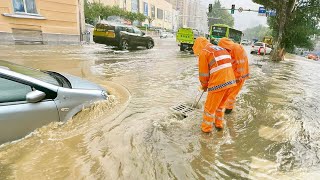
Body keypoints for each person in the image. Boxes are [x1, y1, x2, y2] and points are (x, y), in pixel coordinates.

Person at [193, 37, 236, 133]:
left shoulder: (204, 52)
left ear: (198, 46)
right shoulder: (220, 48)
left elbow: (203, 74)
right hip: (231, 82)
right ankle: (219, 125)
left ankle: (206, 130)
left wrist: (204, 86)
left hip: (218, 83)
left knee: (209, 109)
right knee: (220, 106)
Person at [218, 38, 250, 114]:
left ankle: (228, 111)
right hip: (235, 75)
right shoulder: (231, 49)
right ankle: (226, 109)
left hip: (239, 76)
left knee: (231, 94)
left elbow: (241, 63)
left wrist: (239, 77)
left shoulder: (236, 48)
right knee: (228, 93)